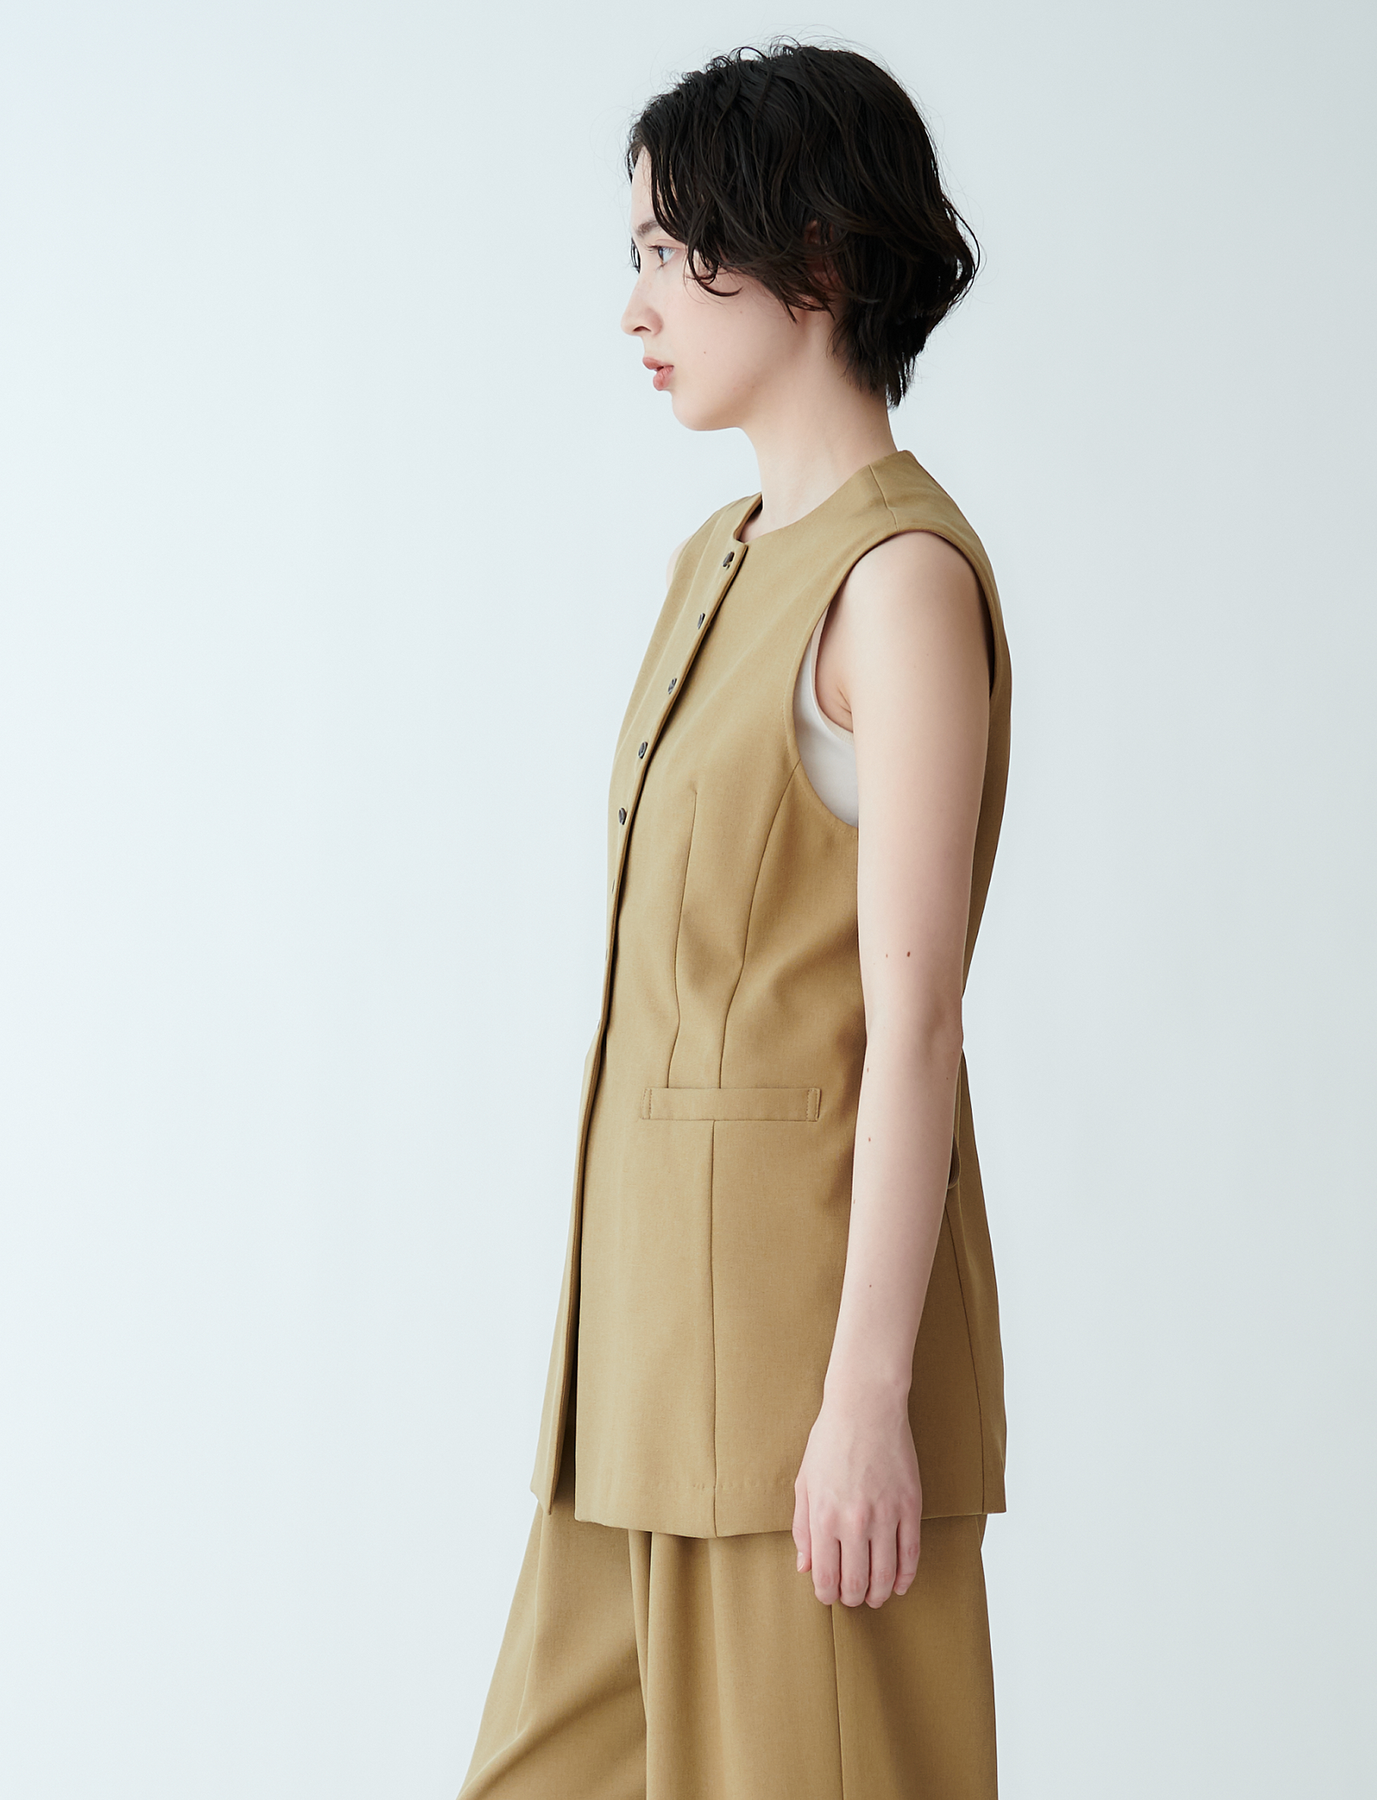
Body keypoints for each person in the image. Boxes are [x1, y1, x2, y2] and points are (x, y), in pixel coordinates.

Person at [457, 39, 1012, 1800]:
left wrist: (866, 1406)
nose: (636, 304)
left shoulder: (898, 585)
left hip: (790, 1396)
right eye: (634, 251)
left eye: (673, 251)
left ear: (815, 260)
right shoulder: (716, 559)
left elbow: (912, 1027)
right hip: (632, 1378)